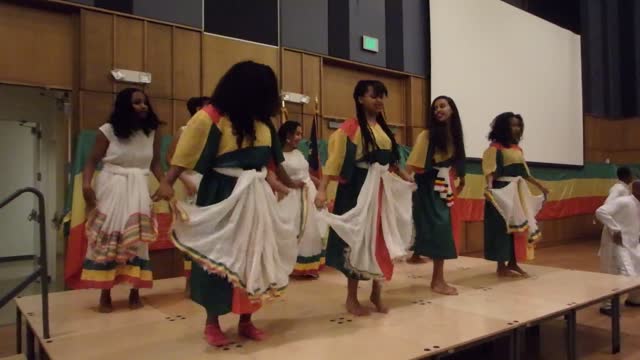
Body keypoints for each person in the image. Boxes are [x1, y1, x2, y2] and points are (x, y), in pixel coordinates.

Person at [153, 61, 302, 346]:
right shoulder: (210, 117)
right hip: (221, 194)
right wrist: (167, 181)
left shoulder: (264, 123)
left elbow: (273, 162)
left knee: (253, 257)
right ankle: (212, 322)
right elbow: (183, 156)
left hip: (256, 197)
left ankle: (247, 319)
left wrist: (288, 183)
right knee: (220, 257)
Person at [315, 80, 415, 316]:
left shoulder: (383, 129)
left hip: (382, 189)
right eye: (373, 96)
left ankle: (376, 293)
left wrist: (403, 175)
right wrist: (322, 189)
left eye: (381, 96)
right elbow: (335, 161)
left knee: (381, 238)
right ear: (360, 99)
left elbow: (390, 160)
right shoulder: (349, 128)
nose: (379, 100)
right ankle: (351, 298)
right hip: (357, 188)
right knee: (357, 240)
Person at [80, 88, 163, 313]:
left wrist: (165, 184)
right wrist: (86, 185)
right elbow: (91, 161)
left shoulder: (152, 132)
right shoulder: (107, 131)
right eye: (137, 102)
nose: (143, 106)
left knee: (137, 238)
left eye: (145, 102)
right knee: (109, 236)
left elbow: (155, 163)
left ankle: (134, 291)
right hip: (112, 185)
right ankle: (105, 292)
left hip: (139, 186)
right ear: (125, 105)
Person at [405, 96, 466, 295]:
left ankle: (421, 261)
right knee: (440, 229)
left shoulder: (454, 136)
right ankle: (437, 281)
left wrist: (458, 180)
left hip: (442, 185)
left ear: (452, 110)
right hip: (429, 186)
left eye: (442, 106)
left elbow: (455, 163)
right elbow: (413, 166)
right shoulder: (427, 135)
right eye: (435, 107)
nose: (438, 110)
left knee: (436, 227)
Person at [482, 112, 549, 277]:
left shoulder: (518, 149)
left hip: (516, 192)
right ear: (504, 127)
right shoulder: (494, 148)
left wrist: (541, 186)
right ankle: (500, 265)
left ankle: (513, 263)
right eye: (513, 125)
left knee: (517, 229)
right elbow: (490, 170)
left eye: (518, 125)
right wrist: (490, 189)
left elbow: (525, 173)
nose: (516, 128)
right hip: (502, 191)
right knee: (501, 228)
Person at [166, 96, 210, 294]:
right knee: (192, 232)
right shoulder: (184, 131)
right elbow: (171, 158)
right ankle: (189, 281)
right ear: (198, 109)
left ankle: (209, 279)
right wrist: (184, 179)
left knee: (211, 232)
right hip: (192, 181)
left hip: (210, 181)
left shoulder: (214, 132)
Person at [276, 121, 325, 278]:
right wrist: (289, 185)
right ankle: (290, 264)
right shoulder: (279, 157)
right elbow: (276, 176)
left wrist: (318, 184)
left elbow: (305, 172)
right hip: (290, 196)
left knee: (311, 231)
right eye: (297, 134)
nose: (300, 137)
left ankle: (307, 266)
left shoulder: (298, 153)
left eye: (300, 133)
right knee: (291, 229)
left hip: (307, 195)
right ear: (287, 136)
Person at [597, 170, 638, 315]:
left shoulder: (631, 197)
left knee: (635, 268)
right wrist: (615, 229)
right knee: (613, 272)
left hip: (629, 240)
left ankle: (634, 299)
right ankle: (607, 305)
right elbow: (604, 210)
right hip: (614, 238)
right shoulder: (619, 190)